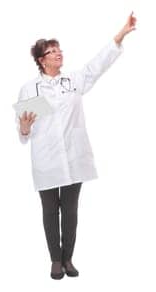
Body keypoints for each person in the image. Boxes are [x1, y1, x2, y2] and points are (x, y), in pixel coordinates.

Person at [15, 12, 135, 280]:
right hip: (46, 160)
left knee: (70, 210)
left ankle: (68, 258)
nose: (58, 54)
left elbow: (97, 65)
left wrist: (121, 33)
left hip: (74, 156)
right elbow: (23, 131)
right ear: (41, 60)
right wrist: (23, 127)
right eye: (52, 51)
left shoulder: (73, 82)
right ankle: (55, 260)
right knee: (50, 210)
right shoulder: (29, 90)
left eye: (59, 50)